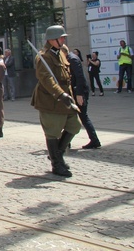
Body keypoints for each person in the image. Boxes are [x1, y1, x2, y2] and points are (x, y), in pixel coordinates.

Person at [31, 25, 82, 178]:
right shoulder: (43, 57)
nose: (63, 39)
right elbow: (46, 80)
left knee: (75, 125)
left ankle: (57, 154)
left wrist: (70, 96)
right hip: (50, 100)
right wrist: (61, 95)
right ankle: (56, 163)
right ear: (52, 40)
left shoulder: (60, 53)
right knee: (52, 132)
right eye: (61, 37)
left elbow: (66, 77)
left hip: (65, 98)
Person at [66, 47, 101, 149]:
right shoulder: (71, 58)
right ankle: (66, 142)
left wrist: (79, 94)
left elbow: (80, 77)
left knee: (81, 117)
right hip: (77, 92)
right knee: (74, 116)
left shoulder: (72, 59)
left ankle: (94, 140)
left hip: (79, 92)